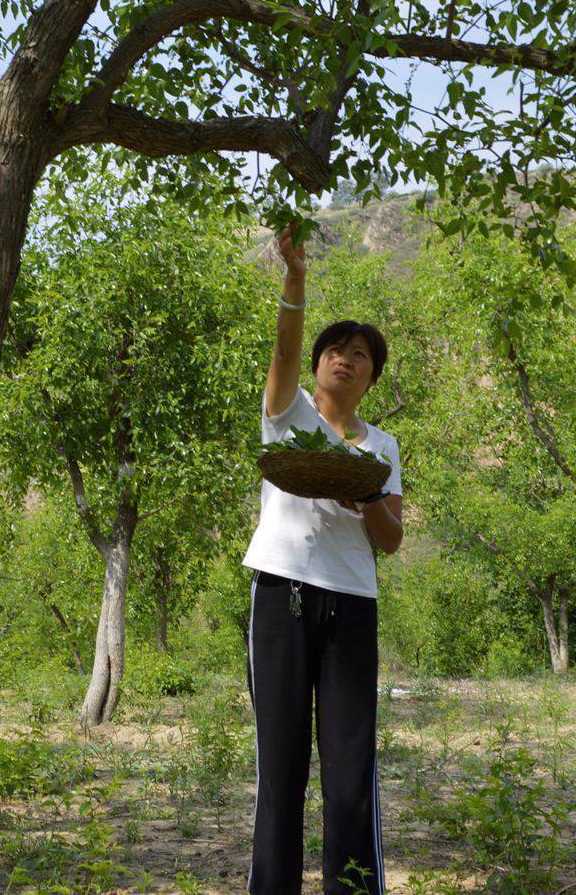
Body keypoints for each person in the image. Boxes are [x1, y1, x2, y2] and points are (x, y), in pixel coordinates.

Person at [243, 222, 406, 895]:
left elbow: (390, 538)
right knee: (280, 773)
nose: (346, 357)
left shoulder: (383, 446)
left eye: (360, 353)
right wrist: (295, 277)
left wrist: (367, 491)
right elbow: (282, 347)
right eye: (335, 349)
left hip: (351, 607)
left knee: (349, 775)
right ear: (317, 365)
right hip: (279, 595)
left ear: (373, 374)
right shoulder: (289, 415)